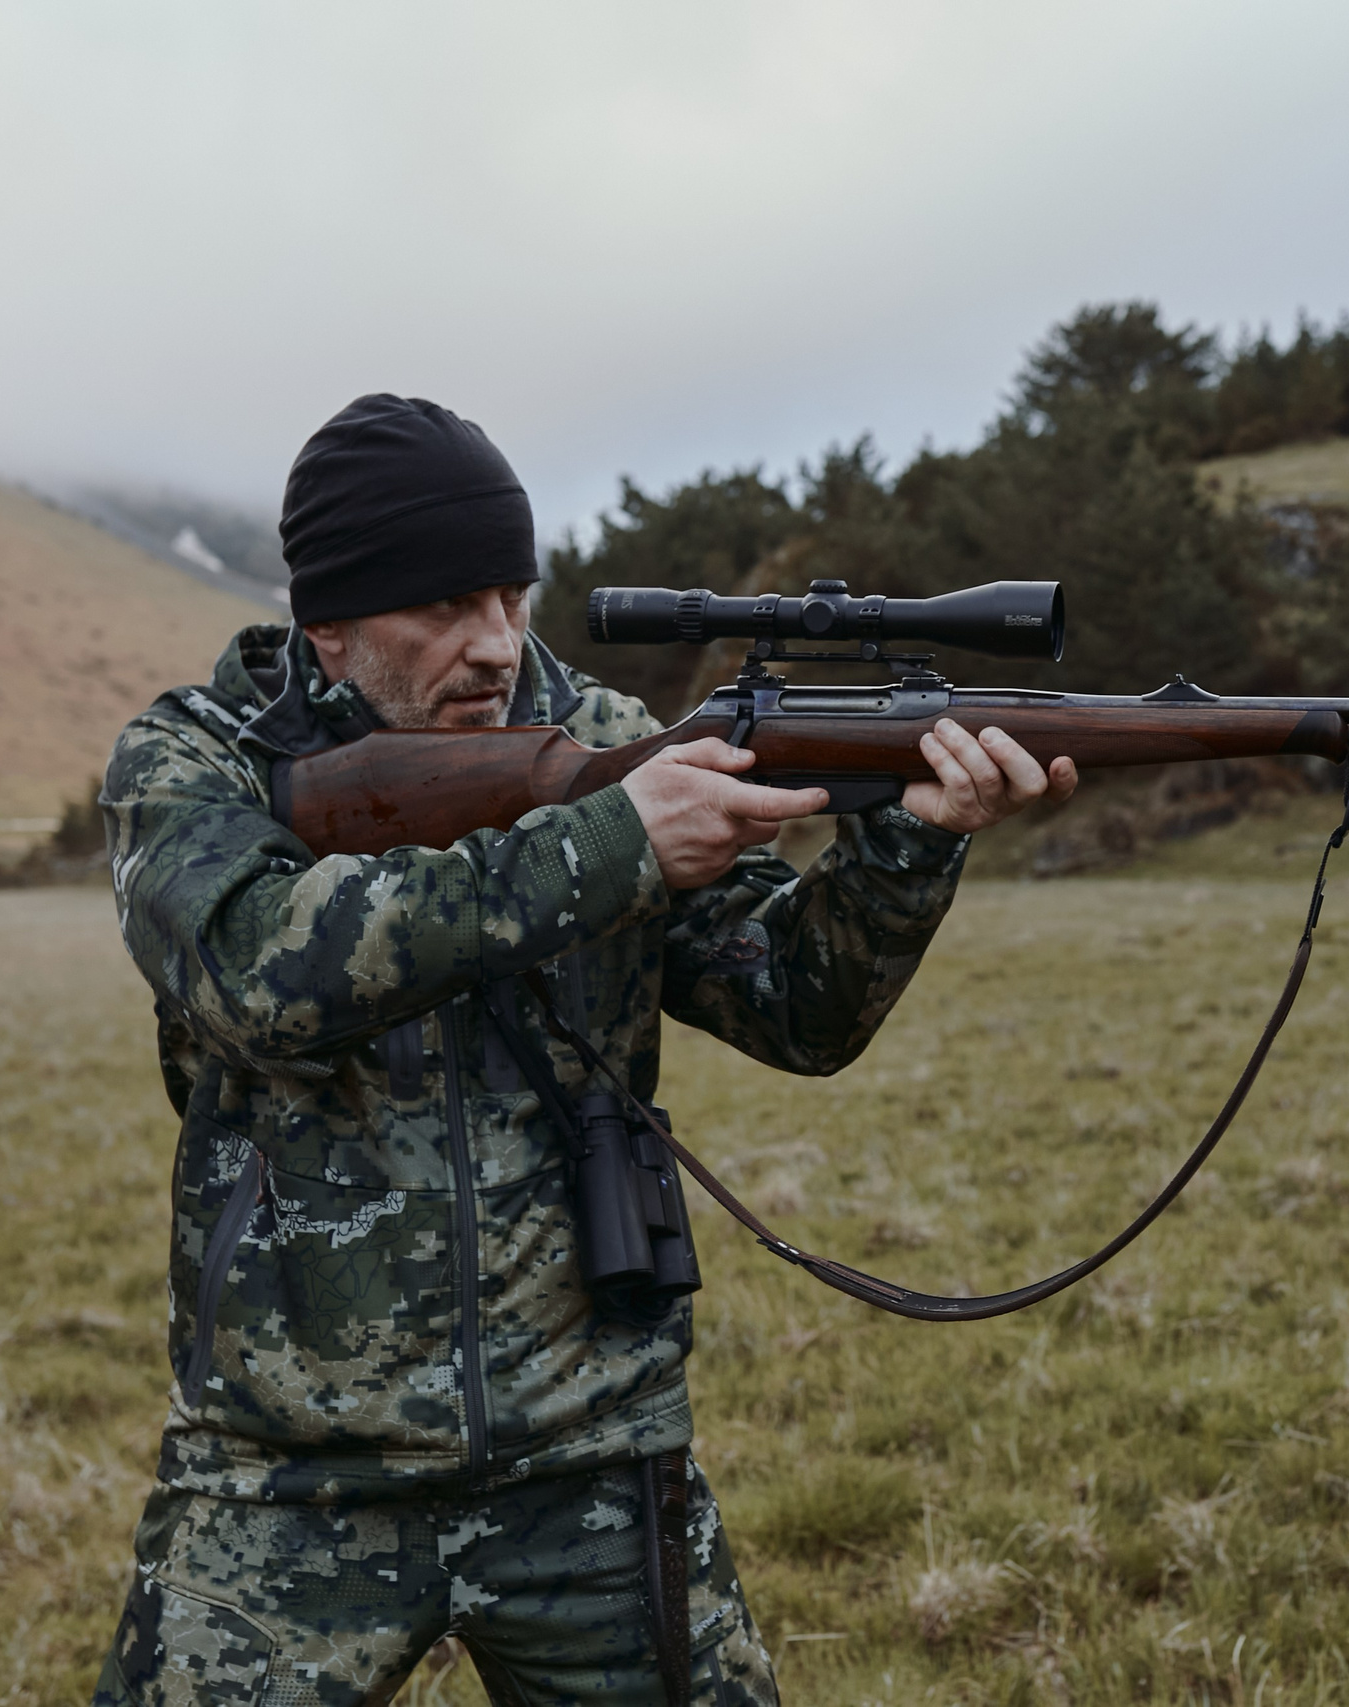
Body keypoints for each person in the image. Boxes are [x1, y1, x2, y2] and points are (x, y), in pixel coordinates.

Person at [91, 394, 1074, 1705]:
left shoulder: (616, 744)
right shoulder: (196, 757)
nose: (493, 644)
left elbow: (798, 1007)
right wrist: (607, 852)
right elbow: (261, 974)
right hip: (285, 1470)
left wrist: (910, 840)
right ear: (326, 621)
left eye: (511, 594)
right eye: (441, 607)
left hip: (596, 1454)